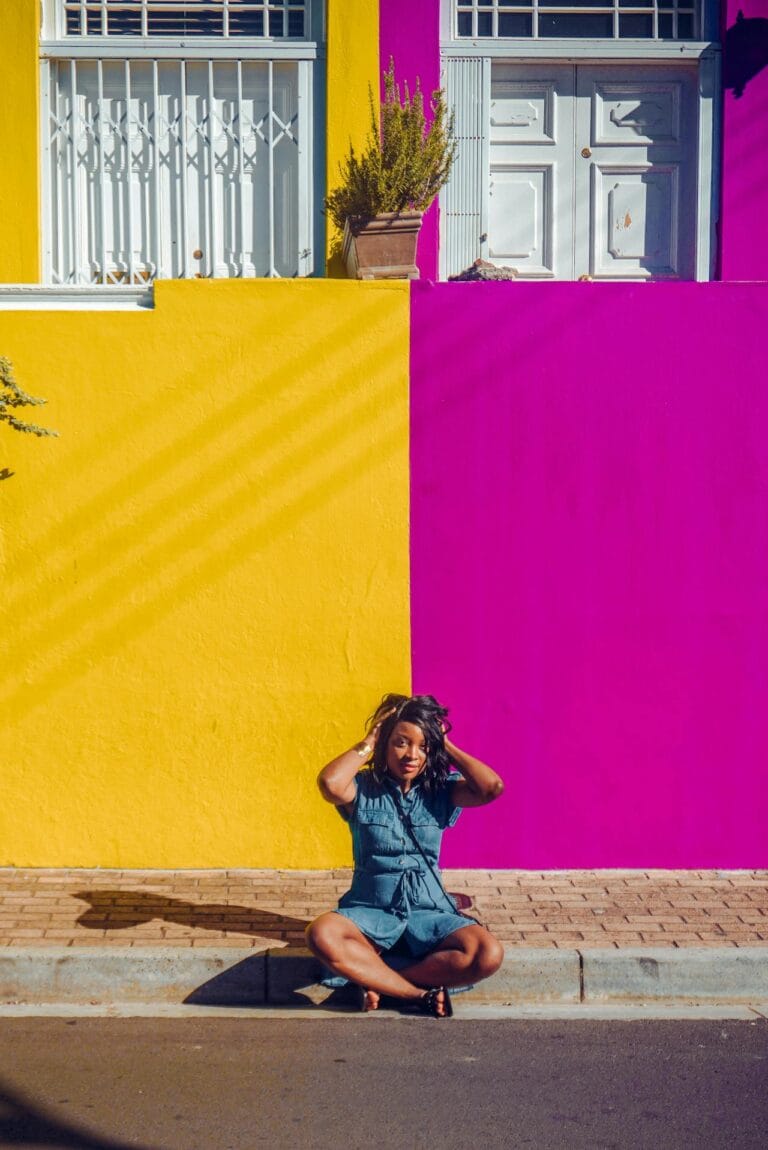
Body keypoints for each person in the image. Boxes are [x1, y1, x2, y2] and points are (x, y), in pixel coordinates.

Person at [306, 693, 505, 1017]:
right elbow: (330, 783)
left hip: (429, 913)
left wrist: (445, 744)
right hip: (370, 910)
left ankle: (381, 984)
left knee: (487, 952)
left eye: (423, 746)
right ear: (386, 743)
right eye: (401, 742)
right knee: (322, 934)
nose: (412, 754)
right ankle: (415, 995)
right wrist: (369, 740)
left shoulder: (440, 791)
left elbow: (491, 788)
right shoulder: (363, 789)